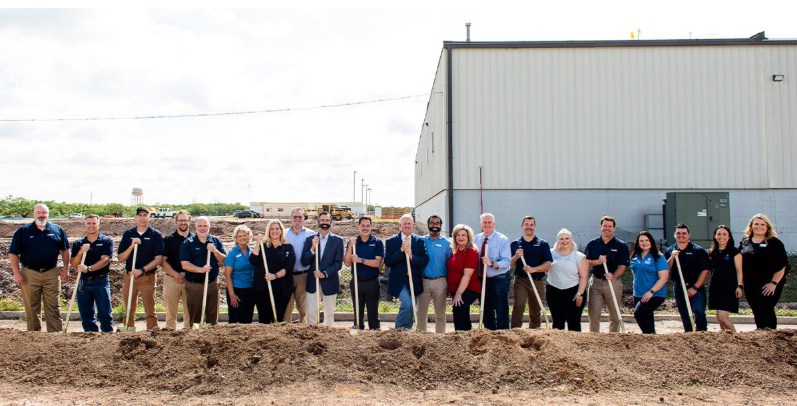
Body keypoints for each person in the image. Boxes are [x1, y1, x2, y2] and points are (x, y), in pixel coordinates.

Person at [9, 203, 70, 332]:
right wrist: (16, 273)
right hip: (29, 273)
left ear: (48, 214)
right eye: (38, 213)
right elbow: (13, 253)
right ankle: (34, 335)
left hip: (52, 273)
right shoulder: (23, 231)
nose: (41, 215)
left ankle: (55, 335)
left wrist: (66, 269)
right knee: (31, 307)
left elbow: (65, 250)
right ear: (34, 214)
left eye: (44, 213)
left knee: (53, 306)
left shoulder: (57, 230)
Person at [117, 206, 165, 331]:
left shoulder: (155, 235)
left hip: (147, 277)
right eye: (140, 215)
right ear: (135, 218)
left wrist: (142, 270)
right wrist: (131, 246)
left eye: (145, 215)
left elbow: (158, 259)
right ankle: (129, 331)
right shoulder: (128, 234)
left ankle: (152, 332)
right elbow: (121, 258)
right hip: (130, 276)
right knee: (129, 308)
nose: (142, 218)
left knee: (150, 309)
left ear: (149, 217)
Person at [739, 214, 789, 330]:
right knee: (756, 309)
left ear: (767, 227)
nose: (759, 227)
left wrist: (773, 283)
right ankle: (761, 335)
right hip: (750, 284)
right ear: (751, 226)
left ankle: (771, 335)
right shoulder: (745, 242)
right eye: (756, 224)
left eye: (762, 224)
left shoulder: (774, 243)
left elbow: (782, 266)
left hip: (768, 284)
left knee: (765, 308)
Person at [68, 215, 114, 332]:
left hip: (101, 281)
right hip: (83, 282)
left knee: (104, 312)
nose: (91, 226)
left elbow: (105, 260)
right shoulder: (79, 243)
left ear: (98, 225)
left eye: (94, 223)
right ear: (85, 225)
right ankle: (91, 337)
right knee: (86, 314)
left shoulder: (106, 241)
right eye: (89, 223)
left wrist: (89, 268)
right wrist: (81, 252)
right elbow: (73, 263)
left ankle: (107, 336)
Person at [585, 215, 629, 333]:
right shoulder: (593, 244)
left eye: (610, 226)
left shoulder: (621, 245)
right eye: (605, 226)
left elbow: (622, 266)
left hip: (613, 283)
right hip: (596, 282)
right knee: (594, 315)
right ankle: (595, 338)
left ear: (614, 228)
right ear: (600, 227)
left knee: (615, 315)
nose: (607, 229)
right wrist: (598, 262)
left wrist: (614, 276)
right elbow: (586, 262)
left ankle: (613, 339)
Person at [180, 216, 227, 327]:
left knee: (212, 316)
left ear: (209, 227)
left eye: (205, 226)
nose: (202, 228)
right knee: (195, 318)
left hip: (212, 284)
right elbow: (185, 264)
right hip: (194, 285)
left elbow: (224, 261)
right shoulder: (188, 243)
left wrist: (215, 251)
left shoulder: (215, 241)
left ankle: (211, 338)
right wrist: (201, 269)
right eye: (200, 226)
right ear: (195, 227)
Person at [385, 214, 429, 329]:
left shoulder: (419, 241)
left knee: (413, 307)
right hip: (398, 281)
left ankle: (407, 332)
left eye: (409, 223)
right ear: (400, 225)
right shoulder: (391, 241)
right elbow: (388, 261)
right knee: (407, 304)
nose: (407, 226)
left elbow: (425, 260)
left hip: (414, 280)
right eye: (405, 223)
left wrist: (411, 256)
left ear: (413, 225)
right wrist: (401, 251)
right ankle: (398, 330)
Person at [664, 223, 711, 332]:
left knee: (698, 312)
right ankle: (689, 336)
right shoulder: (669, 251)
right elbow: (666, 270)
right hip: (680, 287)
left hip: (696, 287)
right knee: (685, 314)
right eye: (678, 233)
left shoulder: (698, 251)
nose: (681, 235)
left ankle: (701, 335)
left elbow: (706, 271)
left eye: (684, 233)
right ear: (674, 235)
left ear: (688, 235)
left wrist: (695, 288)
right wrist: (672, 257)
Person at [302, 212, 344, 326]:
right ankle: (312, 335)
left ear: (330, 222)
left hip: (330, 280)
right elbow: (304, 261)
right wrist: (312, 248)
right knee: (311, 313)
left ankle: (328, 335)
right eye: (322, 220)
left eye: (327, 220)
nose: (324, 222)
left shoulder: (338, 241)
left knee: (329, 313)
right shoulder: (310, 239)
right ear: (318, 222)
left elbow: (338, 263)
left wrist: (324, 274)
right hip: (313, 281)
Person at [509, 216, 552, 329]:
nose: (529, 227)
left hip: (537, 280)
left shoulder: (543, 244)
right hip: (521, 280)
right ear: (522, 226)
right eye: (526, 224)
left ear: (535, 227)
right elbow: (509, 264)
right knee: (519, 304)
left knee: (535, 307)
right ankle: (515, 330)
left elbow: (548, 264)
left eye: (531, 224)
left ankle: (534, 332)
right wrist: (516, 256)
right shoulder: (515, 244)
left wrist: (534, 269)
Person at [250, 220, 295, 324]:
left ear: (281, 230)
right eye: (272, 229)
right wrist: (257, 244)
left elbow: (289, 267)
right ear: (268, 231)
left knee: (279, 317)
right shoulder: (263, 246)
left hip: (281, 288)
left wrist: (275, 276)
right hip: (262, 288)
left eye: (277, 228)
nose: (274, 231)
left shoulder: (288, 247)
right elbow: (253, 261)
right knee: (264, 318)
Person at [343, 216, 384, 330]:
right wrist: (350, 246)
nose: (365, 228)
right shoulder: (353, 242)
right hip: (356, 282)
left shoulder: (377, 242)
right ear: (358, 227)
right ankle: (358, 337)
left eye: (367, 226)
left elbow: (377, 263)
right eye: (363, 226)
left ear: (371, 227)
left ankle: (375, 335)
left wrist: (361, 260)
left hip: (372, 282)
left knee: (373, 313)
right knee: (357, 313)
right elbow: (347, 263)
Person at [473, 213, 512, 330]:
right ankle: (490, 337)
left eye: (489, 222)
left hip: (498, 280)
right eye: (484, 222)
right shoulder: (476, 239)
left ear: (494, 224)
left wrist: (492, 264)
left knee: (501, 310)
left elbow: (506, 262)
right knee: (486, 311)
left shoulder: (502, 240)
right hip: (482, 280)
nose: (487, 225)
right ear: (480, 224)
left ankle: (504, 337)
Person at [546, 228, 588, 331]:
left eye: (567, 238)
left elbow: (584, 276)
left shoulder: (579, 256)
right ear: (557, 240)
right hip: (554, 291)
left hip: (573, 292)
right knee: (557, 323)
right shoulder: (551, 253)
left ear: (571, 239)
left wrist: (580, 294)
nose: (564, 241)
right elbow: (545, 268)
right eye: (561, 239)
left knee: (573, 322)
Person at [629, 231, 669, 334]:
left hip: (654, 294)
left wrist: (651, 292)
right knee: (647, 316)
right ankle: (650, 340)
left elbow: (663, 278)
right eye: (641, 241)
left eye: (647, 240)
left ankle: (650, 336)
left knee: (639, 314)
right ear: (637, 243)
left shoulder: (658, 257)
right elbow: (635, 273)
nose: (644, 243)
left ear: (651, 242)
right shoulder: (635, 256)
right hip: (638, 293)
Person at [417, 215, 452, 333]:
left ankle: (440, 339)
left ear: (441, 226)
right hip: (423, 281)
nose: (435, 225)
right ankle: (421, 338)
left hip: (440, 282)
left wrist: (449, 285)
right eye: (432, 223)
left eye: (437, 223)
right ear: (428, 225)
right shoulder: (421, 241)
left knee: (440, 315)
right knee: (421, 314)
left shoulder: (447, 243)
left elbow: (450, 264)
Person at [708, 225, 743, 332]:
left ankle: (737, 338)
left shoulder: (734, 252)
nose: (721, 237)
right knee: (721, 319)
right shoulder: (712, 252)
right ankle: (726, 341)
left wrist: (739, 286)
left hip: (729, 289)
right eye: (719, 234)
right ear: (715, 236)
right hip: (716, 288)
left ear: (729, 237)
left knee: (722, 317)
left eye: (724, 234)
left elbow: (739, 270)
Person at [446, 224, 481, 331]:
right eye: (458, 235)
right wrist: (450, 289)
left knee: (458, 309)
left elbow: (467, 275)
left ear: (468, 237)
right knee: (463, 311)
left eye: (463, 235)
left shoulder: (471, 252)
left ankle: (459, 337)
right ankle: (466, 335)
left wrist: (458, 293)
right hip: (456, 288)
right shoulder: (455, 251)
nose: (460, 238)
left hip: (470, 288)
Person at [161, 210, 192, 329]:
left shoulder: (195, 239)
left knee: (189, 311)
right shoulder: (168, 239)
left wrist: (186, 274)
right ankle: (169, 334)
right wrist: (175, 275)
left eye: (185, 220)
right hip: (171, 279)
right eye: (180, 220)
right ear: (176, 222)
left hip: (189, 279)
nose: (183, 223)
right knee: (170, 312)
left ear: (189, 221)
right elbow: (163, 261)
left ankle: (188, 335)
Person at [284, 208, 314, 323]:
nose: (297, 219)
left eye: (300, 217)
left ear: (304, 219)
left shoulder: (310, 234)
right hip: (287, 276)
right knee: (287, 306)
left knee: (304, 307)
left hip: (303, 276)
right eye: (295, 217)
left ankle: (303, 332)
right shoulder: (284, 234)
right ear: (290, 218)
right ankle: (286, 332)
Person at [224, 225, 256, 324]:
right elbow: (227, 275)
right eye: (240, 236)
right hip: (237, 290)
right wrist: (232, 295)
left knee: (247, 319)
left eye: (245, 235)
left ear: (249, 237)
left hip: (250, 290)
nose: (243, 238)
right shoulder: (232, 254)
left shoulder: (252, 252)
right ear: (236, 238)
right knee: (235, 320)